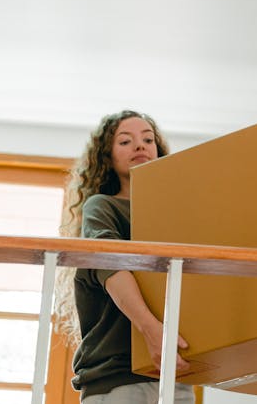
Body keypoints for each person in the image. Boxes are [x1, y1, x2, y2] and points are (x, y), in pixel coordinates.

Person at [54, 109, 195, 403]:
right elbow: (112, 264)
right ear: (107, 156)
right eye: (125, 141)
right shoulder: (102, 207)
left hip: (178, 375)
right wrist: (151, 329)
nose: (140, 146)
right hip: (117, 380)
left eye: (148, 139)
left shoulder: (179, 219)